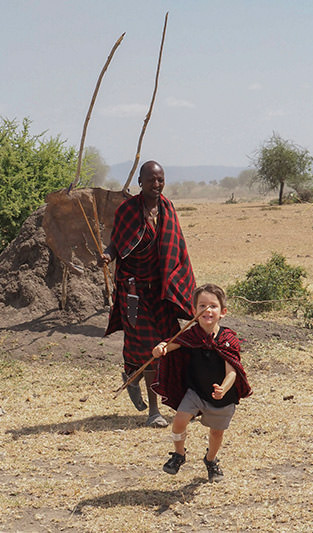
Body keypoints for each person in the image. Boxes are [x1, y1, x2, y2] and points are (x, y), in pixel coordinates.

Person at [99, 161, 195, 427]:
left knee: (169, 346)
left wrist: (183, 287)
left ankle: (133, 377)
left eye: (160, 180)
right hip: (135, 293)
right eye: (151, 180)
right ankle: (154, 411)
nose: (156, 184)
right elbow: (117, 243)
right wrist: (108, 255)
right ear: (140, 182)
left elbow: (178, 250)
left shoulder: (168, 208)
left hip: (161, 292)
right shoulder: (127, 210)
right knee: (151, 349)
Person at [151, 283, 252, 481]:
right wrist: (160, 348)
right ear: (194, 311)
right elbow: (169, 346)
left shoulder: (228, 339)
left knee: (216, 433)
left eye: (213, 306)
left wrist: (223, 389)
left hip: (223, 397)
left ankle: (210, 460)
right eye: (202, 306)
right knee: (179, 421)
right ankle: (179, 455)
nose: (207, 310)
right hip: (195, 391)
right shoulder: (191, 334)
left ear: (222, 312)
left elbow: (232, 371)